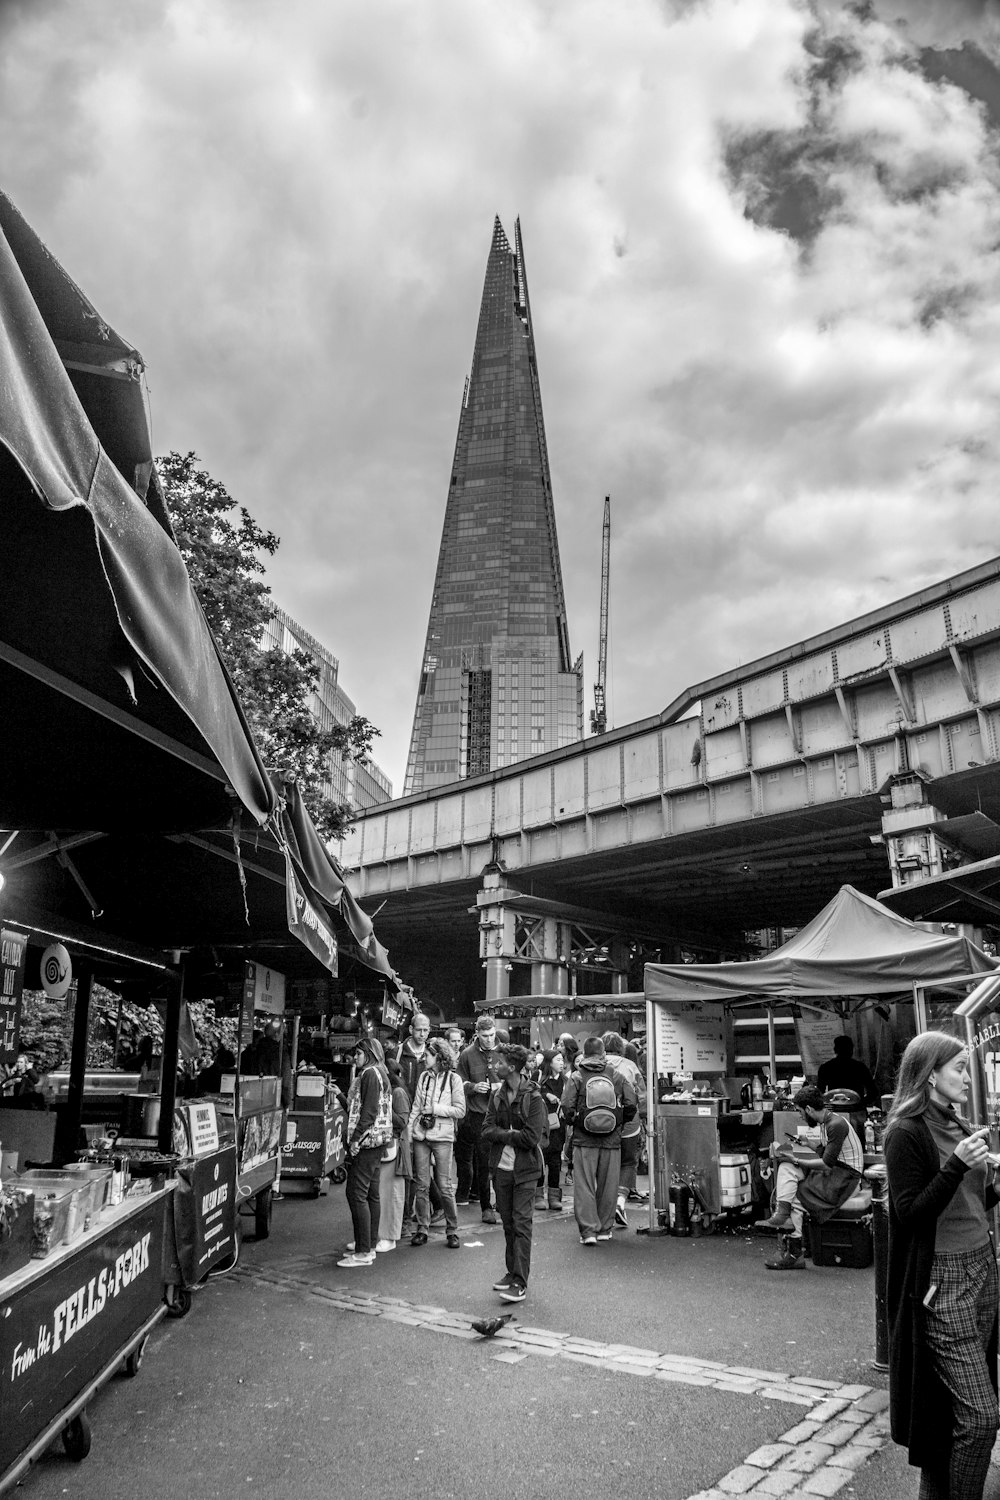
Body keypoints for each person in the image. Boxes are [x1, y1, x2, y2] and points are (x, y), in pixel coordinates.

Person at [885, 1031, 1000, 1500]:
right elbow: (910, 1213)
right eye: (958, 1069)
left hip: (983, 1268)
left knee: (950, 1412)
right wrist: (955, 1165)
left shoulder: (956, 1121)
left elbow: (969, 1201)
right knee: (981, 1416)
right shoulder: (904, 1132)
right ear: (931, 1074)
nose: (967, 1078)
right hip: (943, 1281)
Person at [760, 1082, 864, 1271]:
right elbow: (826, 1151)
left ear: (808, 1109)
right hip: (837, 1172)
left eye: (800, 1112)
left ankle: (794, 1252)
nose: (800, 1116)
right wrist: (808, 1143)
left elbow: (826, 1162)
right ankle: (782, 1214)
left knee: (798, 1196)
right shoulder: (829, 1121)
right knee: (786, 1167)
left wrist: (797, 1159)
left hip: (847, 1178)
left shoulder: (836, 1125)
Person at [481, 1044, 547, 1303]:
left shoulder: (534, 1096)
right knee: (508, 1224)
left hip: (526, 1170)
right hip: (501, 1169)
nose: (493, 1066)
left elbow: (532, 1137)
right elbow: (486, 1129)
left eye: (498, 1063)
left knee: (522, 1225)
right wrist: (510, 1134)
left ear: (512, 1067)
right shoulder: (496, 1095)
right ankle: (511, 1272)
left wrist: (504, 1134)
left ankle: (520, 1282)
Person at [560, 1035, 636, 1246]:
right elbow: (631, 1103)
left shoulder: (577, 1076)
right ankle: (604, 1229)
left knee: (584, 1186)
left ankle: (588, 1232)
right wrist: (619, 1122)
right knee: (609, 1185)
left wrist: (576, 1121)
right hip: (611, 1139)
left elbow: (566, 1106)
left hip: (584, 1139)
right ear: (603, 1054)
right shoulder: (616, 1075)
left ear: (584, 1054)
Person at [339, 1036, 393, 1268]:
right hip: (378, 1141)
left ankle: (363, 1252)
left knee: (356, 1193)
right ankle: (369, 1243)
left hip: (367, 1142)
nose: (356, 1058)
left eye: (359, 1054)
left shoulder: (370, 1074)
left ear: (368, 1053)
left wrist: (354, 1140)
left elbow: (368, 1113)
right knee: (371, 1193)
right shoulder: (381, 1073)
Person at [409, 1038, 465, 1248]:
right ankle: (422, 1228)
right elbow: (416, 1106)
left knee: (444, 1185)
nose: (424, 1058)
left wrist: (436, 1109)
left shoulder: (454, 1080)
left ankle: (452, 1230)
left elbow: (460, 1110)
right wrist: (409, 1131)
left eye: (428, 1055)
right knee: (421, 1185)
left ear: (439, 1057)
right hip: (421, 1135)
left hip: (442, 1136)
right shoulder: (423, 1077)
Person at [456, 1014, 503, 1223]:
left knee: (502, 1162)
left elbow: (516, 1078)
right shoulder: (467, 1054)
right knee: (483, 1163)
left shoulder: (503, 1051)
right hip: (478, 1115)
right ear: (477, 1034)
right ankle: (486, 1207)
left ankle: (502, 1203)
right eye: (485, 1036)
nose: (490, 1039)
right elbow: (459, 1082)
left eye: (492, 1035)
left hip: (502, 1113)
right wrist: (474, 1087)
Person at [602, 1031, 646, 1227]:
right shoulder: (630, 1066)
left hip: (602, 1123)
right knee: (628, 1162)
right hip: (629, 1123)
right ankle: (620, 1202)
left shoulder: (594, 1066)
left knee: (605, 1163)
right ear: (621, 1047)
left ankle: (603, 1206)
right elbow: (642, 1098)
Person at [537, 1049, 567, 1210]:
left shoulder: (566, 1081)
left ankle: (554, 1196)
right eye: (558, 1060)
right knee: (541, 1161)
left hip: (558, 1127)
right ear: (549, 1063)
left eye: (562, 1060)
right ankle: (539, 1195)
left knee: (555, 1162)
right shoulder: (539, 1078)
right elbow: (531, 1092)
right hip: (541, 1125)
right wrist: (545, 1094)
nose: (561, 1063)